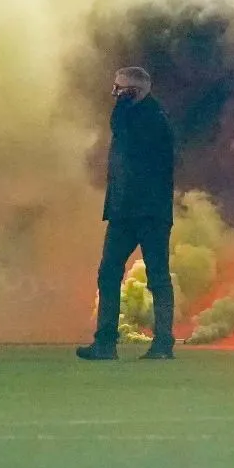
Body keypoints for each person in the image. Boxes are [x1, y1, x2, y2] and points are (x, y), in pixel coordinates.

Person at [78, 67, 177, 361]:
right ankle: (105, 343)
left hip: (149, 212)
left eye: (120, 89)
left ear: (135, 91)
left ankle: (162, 344)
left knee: (157, 277)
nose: (115, 94)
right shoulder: (135, 116)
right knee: (108, 273)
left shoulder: (153, 119)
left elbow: (123, 132)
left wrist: (122, 106)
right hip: (124, 211)